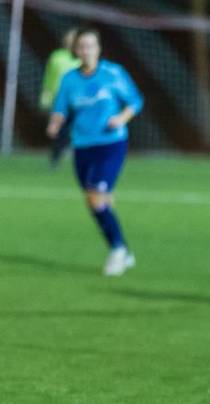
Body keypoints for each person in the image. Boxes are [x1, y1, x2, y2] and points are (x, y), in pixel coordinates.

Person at [46, 28, 144, 276]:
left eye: (91, 46)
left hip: (111, 144)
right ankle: (124, 250)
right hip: (82, 145)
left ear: (98, 49)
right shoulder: (69, 79)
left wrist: (121, 118)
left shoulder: (113, 73)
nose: (86, 51)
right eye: (82, 46)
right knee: (96, 201)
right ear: (76, 51)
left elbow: (135, 101)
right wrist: (56, 122)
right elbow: (61, 107)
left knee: (96, 196)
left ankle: (118, 250)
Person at [40, 28, 80, 168]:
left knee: (79, 131)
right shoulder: (57, 56)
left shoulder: (82, 58)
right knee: (59, 131)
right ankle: (55, 159)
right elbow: (49, 78)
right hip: (59, 101)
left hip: (78, 102)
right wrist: (46, 97)